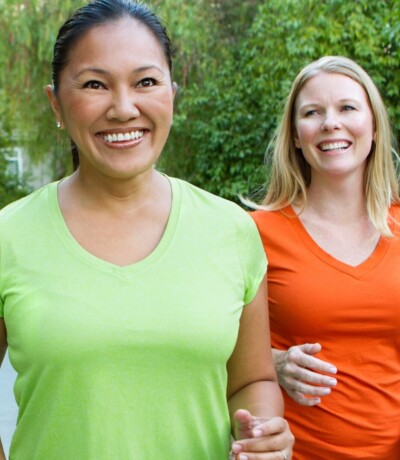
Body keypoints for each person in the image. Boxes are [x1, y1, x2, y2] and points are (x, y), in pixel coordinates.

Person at [0, 1, 294, 459]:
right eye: (95, 84)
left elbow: (252, 380)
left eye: (146, 82)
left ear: (172, 95)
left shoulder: (231, 230)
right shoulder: (9, 236)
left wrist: (262, 432)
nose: (123, 107)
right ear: (56, 102)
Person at [250, 55, 400, 459]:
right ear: (296, 136)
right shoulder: (256, 233)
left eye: (347, 108)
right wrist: (274, 363)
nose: (330, 123)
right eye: (312, 112)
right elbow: (212, 346)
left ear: (373, 125)